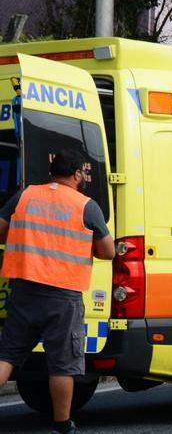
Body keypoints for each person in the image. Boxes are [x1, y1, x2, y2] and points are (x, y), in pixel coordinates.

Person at [0, 149, 115, 434]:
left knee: (7, 356)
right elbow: (109, 252)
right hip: (63, 297)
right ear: (77, 174)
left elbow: (1, 230)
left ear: (52, 172)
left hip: (24, 290)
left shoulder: (24, 196)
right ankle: (62, 424)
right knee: (62, 364)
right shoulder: (86, 205)